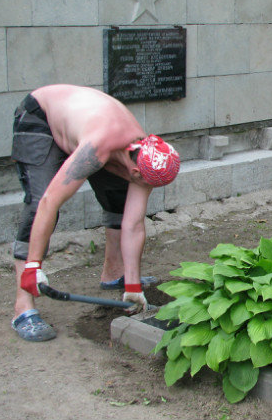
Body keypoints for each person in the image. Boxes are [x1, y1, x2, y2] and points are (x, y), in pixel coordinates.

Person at [10, 84, 181, 342]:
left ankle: (114, 274)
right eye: (146, 183)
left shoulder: (145, 159)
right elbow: (49, 202)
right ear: (136, 172)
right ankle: (23, 306)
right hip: (41, 117)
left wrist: (134, 288)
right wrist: (33, 265)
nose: (147, 188)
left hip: (89, 129)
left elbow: (133, 224)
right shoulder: (97, 148)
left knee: (119, 199)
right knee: (38, 204)